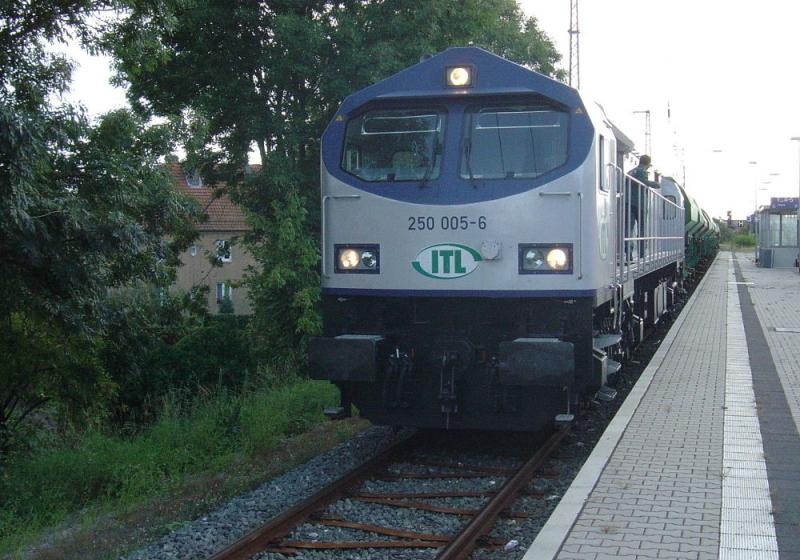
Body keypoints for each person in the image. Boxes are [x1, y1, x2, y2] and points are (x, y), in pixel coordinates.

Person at [627, 155, 660, 261]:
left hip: (628, 203)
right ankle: (641, 253)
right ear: (647, 164)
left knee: (629, 229)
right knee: (642, 229)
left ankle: (628, 254)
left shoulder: (630, 172)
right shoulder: (642, 171)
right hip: (640, 204)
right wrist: (656, 184)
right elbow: (643, 181)